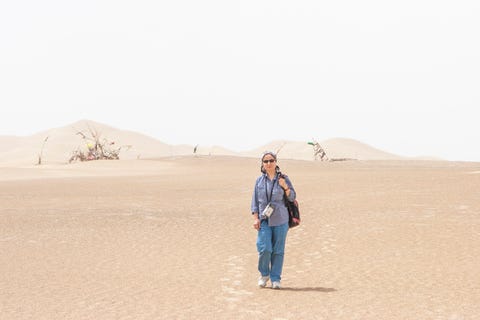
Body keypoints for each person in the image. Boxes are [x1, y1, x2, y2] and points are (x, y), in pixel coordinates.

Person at [251, 151, 296, 289]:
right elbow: (254, 203)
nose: (269, 163)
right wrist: (255, 218)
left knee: (278, 250)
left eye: (271, 160)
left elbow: (292, 197)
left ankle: (275, 278)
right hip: (264, 220)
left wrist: (285, 187)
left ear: (276, 162)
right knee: (264, 248)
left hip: (281, 220)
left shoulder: (284, 179)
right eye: (266, 161)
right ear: (262, 164)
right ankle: (264, 275)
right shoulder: (259, 181)